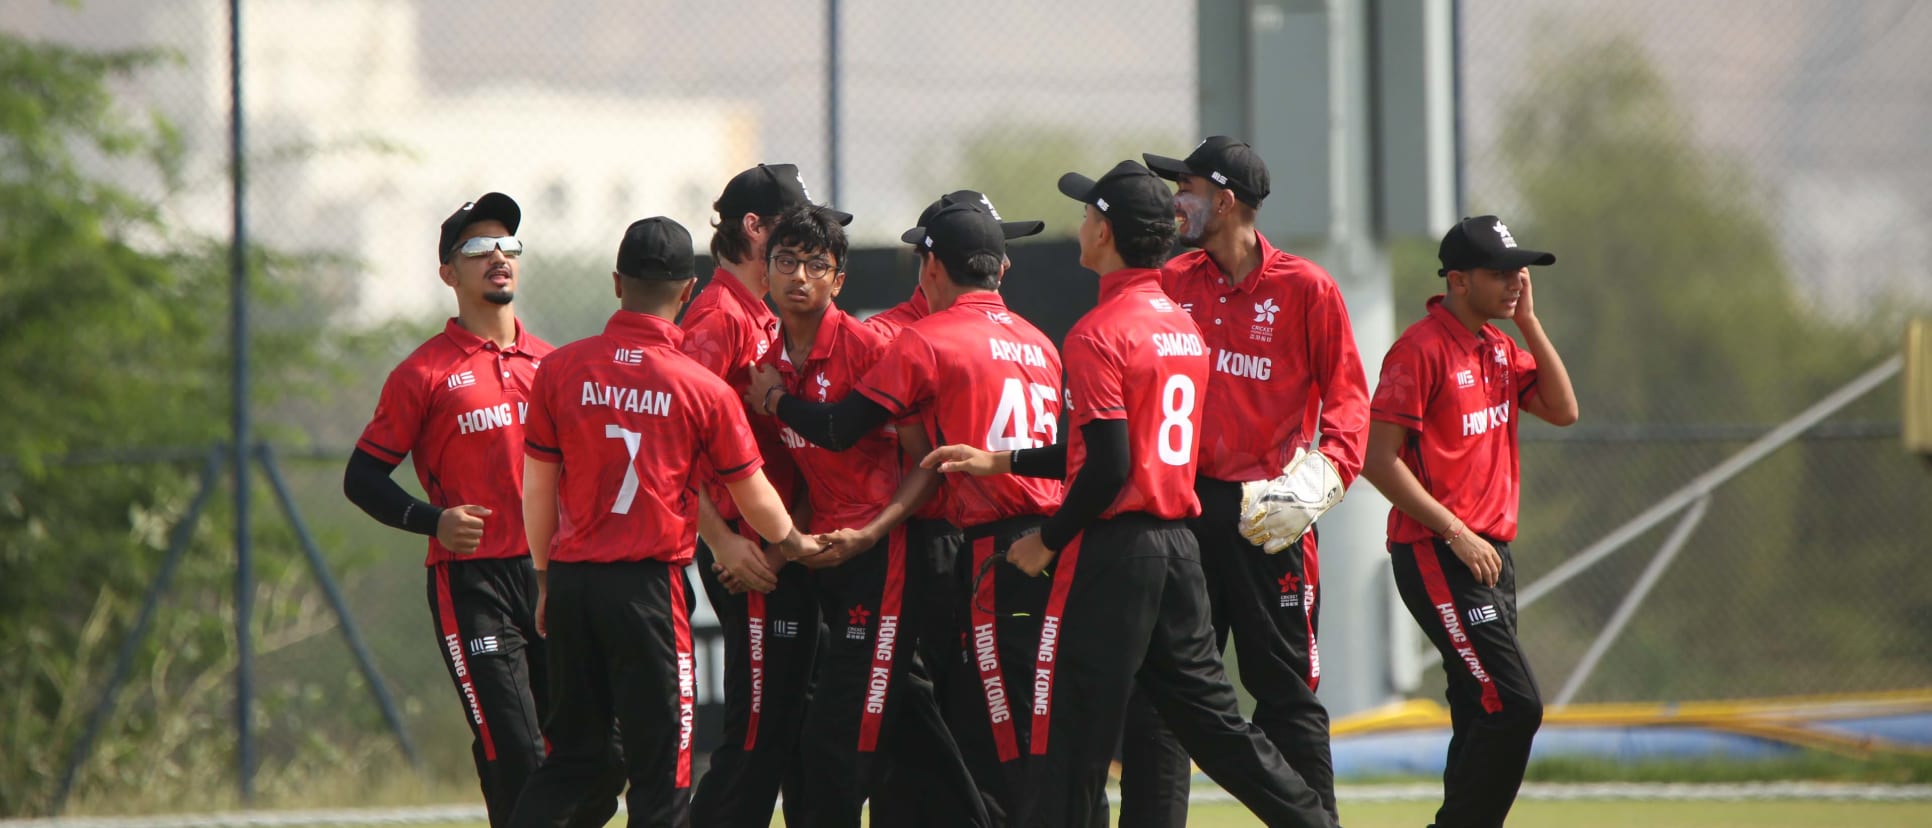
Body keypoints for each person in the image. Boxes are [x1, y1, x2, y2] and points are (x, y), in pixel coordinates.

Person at [924, 161, 1336, 828]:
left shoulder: (1098, 331)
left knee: (1070, 741)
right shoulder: (1182, 327)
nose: (1080, 224)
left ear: (1107, 233)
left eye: (1088, 214)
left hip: (1117, 554)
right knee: (1220, 731)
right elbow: (1121, 449)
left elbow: (1111, 467)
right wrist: (1001, 458)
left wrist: (1046, 541)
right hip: (1179, 547)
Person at [747, 202, 1064, 823]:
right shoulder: (1038, 339)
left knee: (961, 731)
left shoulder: (900, 340)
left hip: (962, 549)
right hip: (1040, 543)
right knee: (956, 729)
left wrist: (777, 404)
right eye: (786, 262)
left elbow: (848, 430)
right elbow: (1076, 454)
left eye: (816, 265)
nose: (799, 277)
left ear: (930, 264)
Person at [508, 217, 822, 827]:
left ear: (617, 283)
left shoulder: (560, 369)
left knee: (572, 759)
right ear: (686, 292)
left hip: (572, 583)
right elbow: (753, 493)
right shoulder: (700, 387)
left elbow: (538, 488)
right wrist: (794, 542)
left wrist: (544, 579)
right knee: (662, 771)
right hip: (647, 590)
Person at [343, 193, 617, 828]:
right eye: (477, 248)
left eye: (508, 245)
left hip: (556, 575)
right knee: (516, 751)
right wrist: (431, 520)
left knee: (600, 757)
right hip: (473, 584)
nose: (498, 255)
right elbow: (363, 476)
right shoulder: (423, 373)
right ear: (449, 273)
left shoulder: (554, 364)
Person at [1121, 136, 1372, 824]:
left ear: (1225, 200)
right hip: (1184, 509)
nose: (1177, 201)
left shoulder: (1306, 288)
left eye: (1189, 188)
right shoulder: (1171, 283)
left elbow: (1351, 400)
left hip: (1270, 516)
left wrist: (1324, 479)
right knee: (1160, 694)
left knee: (1285, 694)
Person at [1359, 215, 1578, 828]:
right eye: (1500, 273)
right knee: (1514, 705)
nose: (1515, 282)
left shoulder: (1500, 346)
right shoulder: (1419, 349)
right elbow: (1378, 462)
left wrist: (1529, 322)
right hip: (1438, 551)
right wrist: (1456, 531)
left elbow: (1563, 409)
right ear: (1457, 280)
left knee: (1478, 710)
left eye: (1519, 272)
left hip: (1489, 556)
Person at [681, 163, 850, 826]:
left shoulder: (767, 315)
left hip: (783, 549)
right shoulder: (718, 318)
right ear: (754, 228)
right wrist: (724, 541)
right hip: (746, 554)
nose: (806, 246)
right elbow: (676, 447)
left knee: (794, 721)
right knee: (756, 733)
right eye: (790, 230)